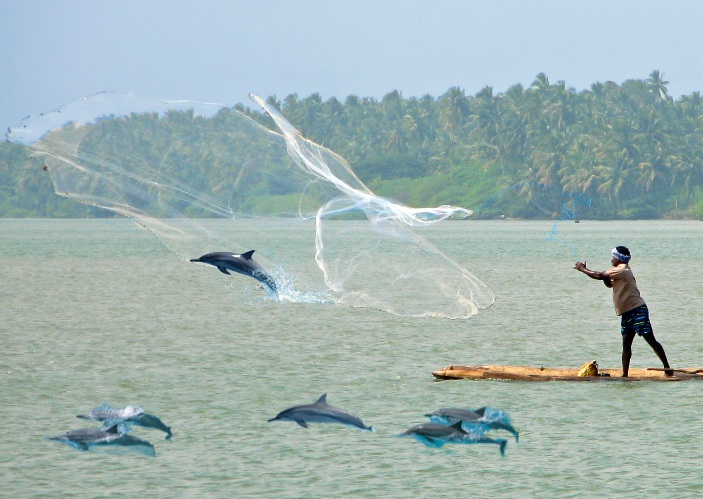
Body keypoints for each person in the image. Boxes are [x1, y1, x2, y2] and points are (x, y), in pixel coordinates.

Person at [574, 246, 672, 377]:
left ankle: (667, 368)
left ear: (619, 258)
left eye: (613, 257)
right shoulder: (619, 271)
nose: (611, 259)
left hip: (637, 310)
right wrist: (605, 277)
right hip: (626, 312)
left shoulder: (622, 270)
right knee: (626, 344)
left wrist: (582, 269)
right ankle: (625, 375)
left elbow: (597, 275)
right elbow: (609, 284)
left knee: (650, 339)